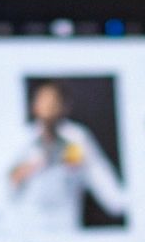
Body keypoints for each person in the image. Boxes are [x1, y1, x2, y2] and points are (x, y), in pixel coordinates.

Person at [7, 80, 126, 233]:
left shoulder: (76, 137)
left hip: (65, 224)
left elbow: (99, 175)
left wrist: (123, 203)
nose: (49, 106)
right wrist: (29, 168)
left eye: (54, 101)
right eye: (44, 100)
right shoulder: (21, 139)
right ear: (34, 105)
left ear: (64, 106)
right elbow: (3, 185)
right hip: (28, 224)